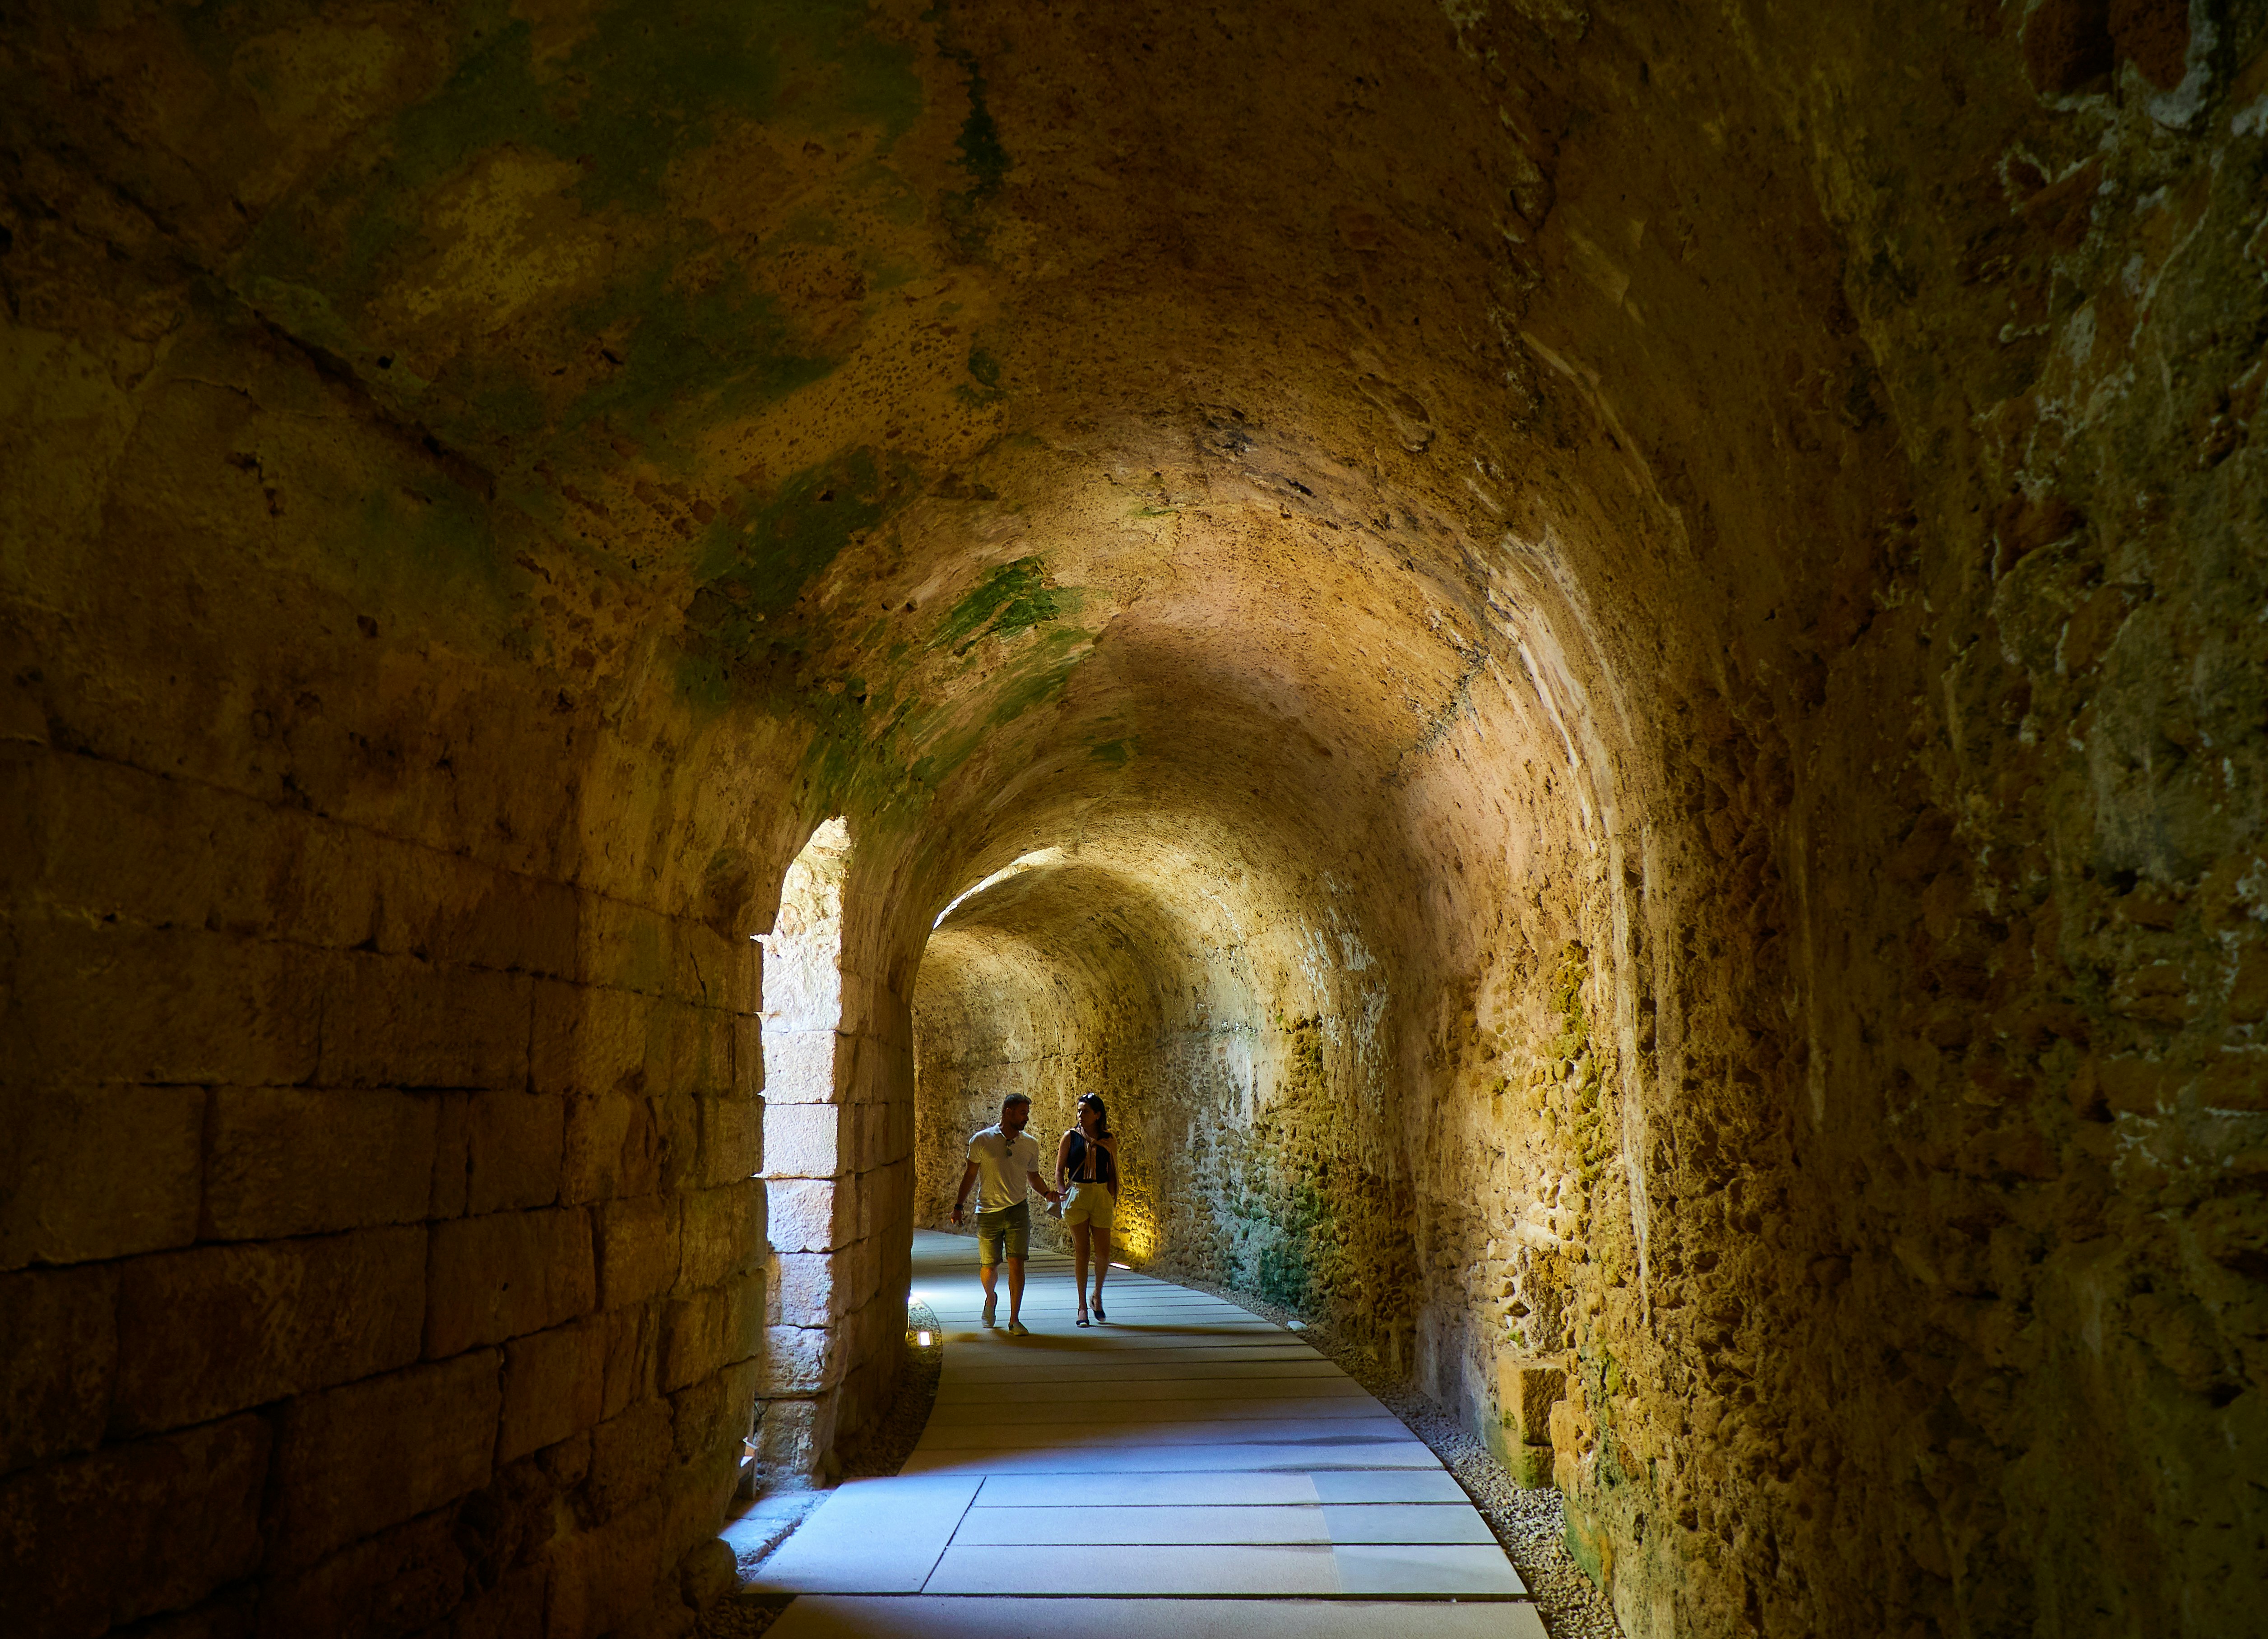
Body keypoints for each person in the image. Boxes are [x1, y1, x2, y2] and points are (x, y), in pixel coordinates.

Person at [951, 1093, 1061, 1335]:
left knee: (1017, 1264)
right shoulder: (982, 1140)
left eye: (1027, 1114)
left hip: (1017, 1210)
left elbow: (1033, 1176)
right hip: (988, 1211)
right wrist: (959, 1206)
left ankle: (1014, 1319)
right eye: (1023, 1113)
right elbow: (970, 1175)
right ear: (1008, 1112)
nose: (1026, 1118)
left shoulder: (1030, 1144)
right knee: (989, 1266)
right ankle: (991, 1298)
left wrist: (1047, 1194)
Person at [1055, 1093, 1120, 1326]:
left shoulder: (1108, 1140)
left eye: (1085, 1112)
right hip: (1078, 1195)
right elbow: (1060, 1169)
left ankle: (1097, 1296)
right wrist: (1063, 1194)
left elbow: (1113, 1169)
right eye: (1079, 1111)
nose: (1080, 1116)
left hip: (1100, 1194)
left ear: (1098, 1115)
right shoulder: (1070, 1138)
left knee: (1103, 1251)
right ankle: (1082, 1305)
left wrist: (1112, 1196)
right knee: (1082, 1251)